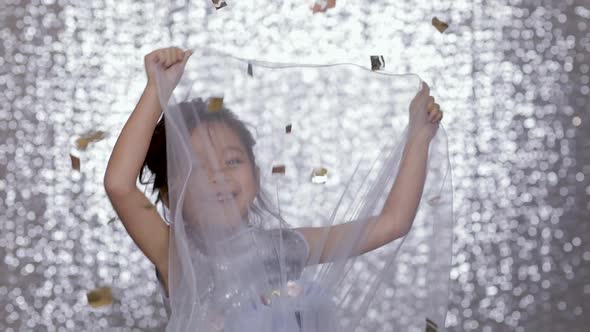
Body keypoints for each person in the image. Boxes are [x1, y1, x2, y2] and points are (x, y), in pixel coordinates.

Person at [104, 47, 444, 331]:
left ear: (256, 176)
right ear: (168, 194)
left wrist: (418, 137)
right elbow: (119, 185)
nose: (218, 176)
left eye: (232, 161)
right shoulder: (177, 256)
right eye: (196, 168)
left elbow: (393, 222)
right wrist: (157, 90)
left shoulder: (284, 247)